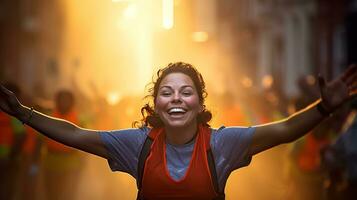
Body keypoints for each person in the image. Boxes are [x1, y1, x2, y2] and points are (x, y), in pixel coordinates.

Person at [0, 62, 356, 200]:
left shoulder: (223, 144)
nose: (176, 99)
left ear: (200, 105)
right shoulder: (137, 144)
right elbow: (77, 135)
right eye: (166, 92)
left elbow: (285, 130)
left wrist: (324, 108)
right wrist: (23, 113)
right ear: (155, 104)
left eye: (186, 92)